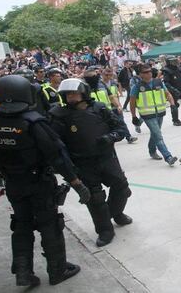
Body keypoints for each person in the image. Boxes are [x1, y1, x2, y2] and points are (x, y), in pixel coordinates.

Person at [0, 75, 90, 286]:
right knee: (50, 224)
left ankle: (23, 272)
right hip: (39, 182)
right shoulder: (33, 122)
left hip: (12, 183)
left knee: (21, 224)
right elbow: (57, 155)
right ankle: (58, 270)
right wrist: (75, 182)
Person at [50, 78, 133, 247]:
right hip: (82, 163)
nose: (71, 97)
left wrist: (110, 137)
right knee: (95, 198)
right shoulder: (59, 115)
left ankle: (116, 213)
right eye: (67, 94)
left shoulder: (100, 108)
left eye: (74, 93)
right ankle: (104, 229)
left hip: (106, 157)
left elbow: (121, 129)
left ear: (83, 93)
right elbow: (57, 143)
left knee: (122, 187)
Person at [130, 64, 178, 166]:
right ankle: (168, 157)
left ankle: (152, 151)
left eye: (150, 71)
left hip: (160, 113)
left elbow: (167, 94)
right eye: (146, 72)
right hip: (147, 115)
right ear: (140, 75)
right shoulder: (136, 87)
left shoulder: (158, 82)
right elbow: (132, 103)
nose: (149, 73)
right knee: (158, 135)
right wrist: (134, 116)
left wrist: (173, 104)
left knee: (155, 133)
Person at [84, 68, 137, 144]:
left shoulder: (103, 84)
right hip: (95, 114)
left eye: (96, 75)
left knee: (120, 122)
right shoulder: (84, 89)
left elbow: (112, 96)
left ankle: (128, 137)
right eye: (93, 76)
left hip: (108, 110)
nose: (109, 76)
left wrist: (118, 105)